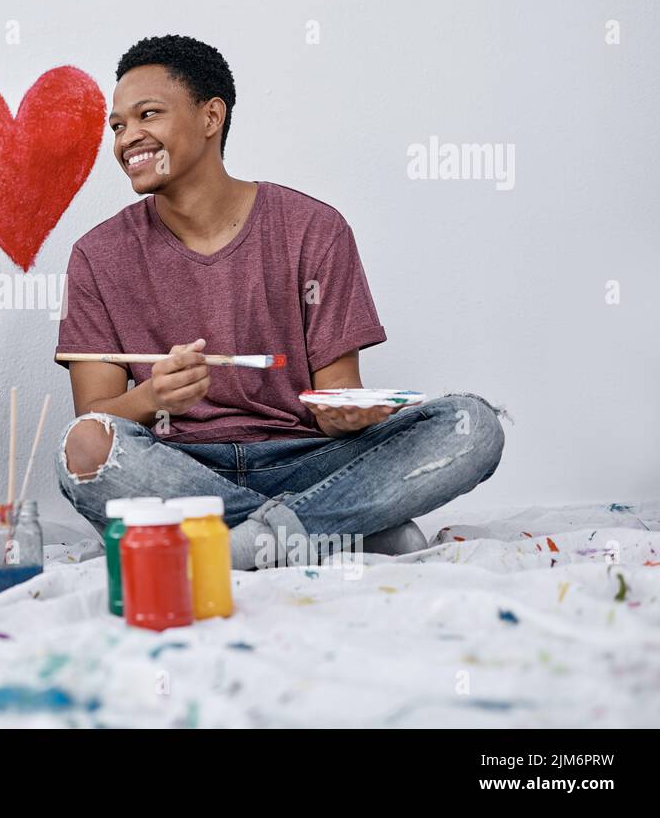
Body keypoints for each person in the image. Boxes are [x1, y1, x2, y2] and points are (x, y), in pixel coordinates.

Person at [54, 35, 506, 569]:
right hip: (180, 469)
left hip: (308, 460)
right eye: (118, 126)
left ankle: (248, 543)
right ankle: (343, 530)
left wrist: (346, 413)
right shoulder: (96, 255)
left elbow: (337, 393)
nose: (129, 138)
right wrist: (154, 395)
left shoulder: (313, 228)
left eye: (147, 115)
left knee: (473, 425)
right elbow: (96, 419)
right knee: (81, 451)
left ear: (211, 116)